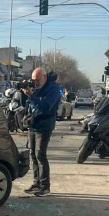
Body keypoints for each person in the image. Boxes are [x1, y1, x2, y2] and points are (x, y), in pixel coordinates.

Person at [24, 67, 62, 196]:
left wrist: (32, 95)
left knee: (41, 155)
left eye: (37, 80)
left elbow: (45, 107)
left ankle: (45, 186)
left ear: (45, 77)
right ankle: (36, 183)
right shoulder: (36, 87)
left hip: (45, 125)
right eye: (33, 80)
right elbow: (30, 104)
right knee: (33, 155)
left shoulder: (53, 89)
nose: (35, 82)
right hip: (33, 124)